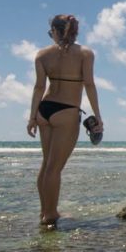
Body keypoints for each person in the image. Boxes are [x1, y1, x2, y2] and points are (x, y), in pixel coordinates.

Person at [26, 14, 103, 228]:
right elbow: (89, 84)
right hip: (66, 111)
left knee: (47, 165)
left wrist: (32, 117)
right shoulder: (85, 54)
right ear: (75, 32)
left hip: (44, 109)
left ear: (55, 31)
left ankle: (45, 211)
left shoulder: (42, 55)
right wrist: (98, 116)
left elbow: (39, 87)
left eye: (51, 32)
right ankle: (50, 215)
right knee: (54, 168)